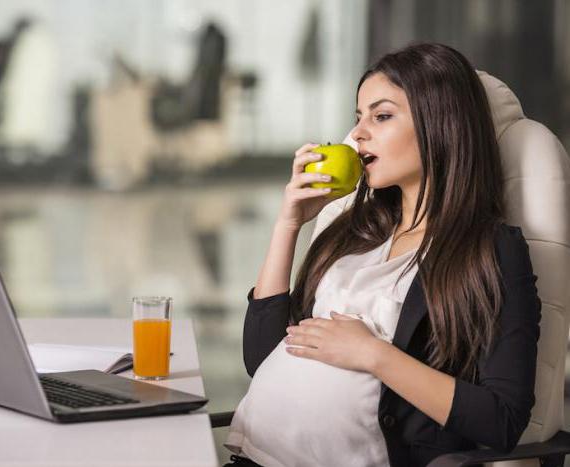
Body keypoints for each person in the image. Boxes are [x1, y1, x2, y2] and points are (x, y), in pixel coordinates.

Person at [223, 42, 541, 467]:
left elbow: (502, 420)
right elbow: (260, 357)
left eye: (382, 115)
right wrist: (288, 224)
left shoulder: (490, 251)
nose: (356, 134)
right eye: (358, 118)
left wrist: (373, 354)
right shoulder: (354, 230)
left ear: (439, 124)